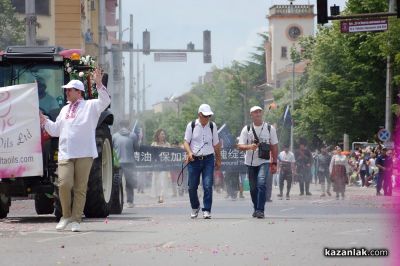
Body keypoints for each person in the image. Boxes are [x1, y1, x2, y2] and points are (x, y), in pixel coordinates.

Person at [40, 69, 110, 232]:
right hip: (66, 153)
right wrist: (44, 120)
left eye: (69, 90)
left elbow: (105, 100)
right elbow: (55, 130)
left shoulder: (91, 105)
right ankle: (66, 216)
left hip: (84, 153)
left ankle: (76, 219)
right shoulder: (64, 110)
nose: (66, 92)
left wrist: (98, 83)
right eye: (66, 90)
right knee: (64, 184)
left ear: (79, 92)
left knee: (80, 187)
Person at [237, 106, 278, 219]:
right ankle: (256, 208)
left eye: (260, 112)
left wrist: (274, 162)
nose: (258, 114)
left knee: (261, 183)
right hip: (250, 163)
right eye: (255, 112)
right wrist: (250, 146)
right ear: (251, 115)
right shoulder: (247, 129)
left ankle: (260, 210)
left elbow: (274, 146)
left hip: (264, 161)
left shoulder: (270, 128)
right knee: (253, 188)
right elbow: (240, 146)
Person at [183, 104, 221, 219]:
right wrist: (189, 153)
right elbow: (185, 142)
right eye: (205, 115)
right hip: (194, 160)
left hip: (208, 159)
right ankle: (195, 207)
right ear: (199, 114)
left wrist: (218, 159)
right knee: (191, 186)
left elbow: (216, 144)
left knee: (208, 185)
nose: (207, 118)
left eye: (209, 116)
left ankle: (207, 209)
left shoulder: (212, 126)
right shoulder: (192, 125)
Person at [112, 120, 139, 208]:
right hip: (130, 162)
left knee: (117, 183)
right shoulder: (132, 135)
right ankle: (130, 202)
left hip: (117, 163)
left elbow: (111, 150)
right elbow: (136, 149)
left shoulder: (114, 136)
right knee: (129, 183)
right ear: (128, 125)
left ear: (119, 125)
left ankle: (117, 201)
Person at [151, 129, 171, 203]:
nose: (163, 135)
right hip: (156, 166)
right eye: (161, 134)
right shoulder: (153, 144)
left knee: (163, 181)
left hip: (164, 166)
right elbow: (151, 155)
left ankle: (161, 196)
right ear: (158, 135)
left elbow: (170, 156)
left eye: (164, 134)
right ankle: (159, 196)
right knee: (157, 182)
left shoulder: (167, 144)